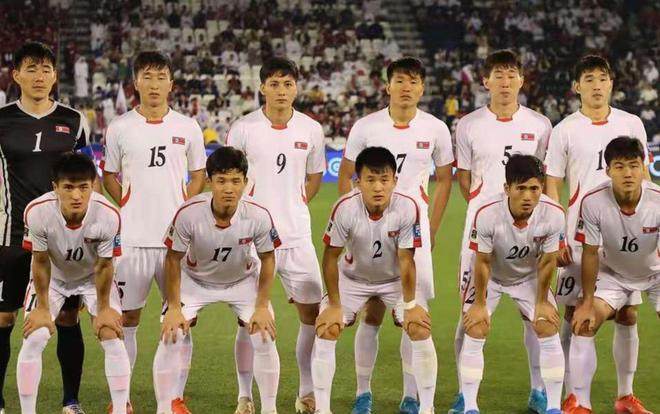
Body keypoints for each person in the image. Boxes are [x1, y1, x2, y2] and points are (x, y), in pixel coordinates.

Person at [337, 57, 453, 414]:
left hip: (413, 231)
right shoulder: (366, 127)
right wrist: (350, 224)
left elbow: (445, 179)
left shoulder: (435, 128)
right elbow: (345, 175)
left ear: (422, 87)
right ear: (387, 85)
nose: (407, 87)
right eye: (400, 80)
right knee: (371, 312)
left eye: (414, 81)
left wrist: (432, 227)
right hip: (370, 229)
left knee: (412, 315)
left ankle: (410, 396)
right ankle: (363, 393)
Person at [543, 55, 653, 413]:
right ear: (577, 87)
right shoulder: (565, 129)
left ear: (611, 83)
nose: (596, 85)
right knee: (575, 312)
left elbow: (643, 176)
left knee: (628, 314)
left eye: (602, 78)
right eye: (588, 79)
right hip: (580, 234)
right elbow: (553, 184)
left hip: (625, 233)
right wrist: (557, 234)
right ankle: (569, 395)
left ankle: (625, 395)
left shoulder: (631, 123)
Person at [101, 51, 207, 413]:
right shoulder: (120, 127)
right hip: (132, 239)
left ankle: (175, 397)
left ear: (171, 83)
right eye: (147, 76)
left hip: (174, 243)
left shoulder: (187, 127)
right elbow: (108, 176)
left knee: (181, 319)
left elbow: (199, 175)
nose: (154, 84)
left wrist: (183, 207)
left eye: (161, 77)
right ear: (136, 82)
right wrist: (127, 202)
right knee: (126, 319)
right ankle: (122, 399)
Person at [451, 49, 553, 414]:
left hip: (529, 232)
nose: (506, 82)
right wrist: (489, 212)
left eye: (512, 75)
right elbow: (465, 180)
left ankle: (539, 390)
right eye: (499, 75)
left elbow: (544, 179)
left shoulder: (540, 125)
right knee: (470, 314)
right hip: (480, 231)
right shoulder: (468, 125)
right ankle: (465, 394)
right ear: (486, 81)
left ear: (522, 80)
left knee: (536, 314)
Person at [226, 57, 325, 414]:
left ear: (296, 88)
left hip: (297, 236)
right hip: (253, 240)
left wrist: (294, 204)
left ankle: (307, 391)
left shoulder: (311, 129)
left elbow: (314, 177)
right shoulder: (243, 129)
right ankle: (245, 396)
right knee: (249, 318)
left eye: (287, 84)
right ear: (262, 87)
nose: (281, 91)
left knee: (312, 314)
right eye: (274, 84)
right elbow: (231, 179)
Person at [0, 41, 92, 414]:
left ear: (55, 76)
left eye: (46, 70)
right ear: (16, 75)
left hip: (61, 239)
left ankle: (71, 401)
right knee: (3, 317)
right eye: (31, 69)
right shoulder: (2, 119)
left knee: (68, 317)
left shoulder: (74, 120)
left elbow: (86, 177)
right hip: (11, 236)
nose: (39, 76)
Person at [154, 147, 281, 414]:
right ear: (209, 181)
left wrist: (261, 305)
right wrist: (174, 307)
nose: (229, 189)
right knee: (171, 333)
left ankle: (266, 408)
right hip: (195, 281)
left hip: (242, 281)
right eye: (221, 181)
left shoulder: (258, 214)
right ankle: (165, 408)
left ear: (245, 182)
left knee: (264, 334)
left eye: (236, 181)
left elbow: (268, 259)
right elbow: (172, 259)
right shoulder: (188, 213)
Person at [312, 147, 438, 414]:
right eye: (370, 180)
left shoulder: (408, 206)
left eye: (384, 179)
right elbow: (330, 258)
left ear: (395, 180)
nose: (378, 187)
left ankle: (426, 407)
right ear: (358, 182)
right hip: (353, 279)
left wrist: (411, 305)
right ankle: (328, 407)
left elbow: (407, 260)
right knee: (327, 327)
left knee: (419, 326)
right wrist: (334, 304)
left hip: (394, 280)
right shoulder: (344, 208)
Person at [19, 153, 130, 414]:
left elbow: (105, 266)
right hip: (54, 278)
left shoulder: (108, 215)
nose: (77, 195)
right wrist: (42, 308)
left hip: (92, 279)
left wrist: (104, 309)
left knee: (111, 335)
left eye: (83, 187)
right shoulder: (37, 212)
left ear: (93, 186)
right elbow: (40, 262)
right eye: (68, 187)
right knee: (35, 336)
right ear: (55, 187)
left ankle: (120, 409)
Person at [460, 154, 565, 414]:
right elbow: (482, 262)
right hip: (491, 277)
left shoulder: (554, 214)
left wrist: (542, 302)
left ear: (542, 187)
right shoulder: (487, 213)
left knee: (547, 325)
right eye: (521, 188)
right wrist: (479, 304)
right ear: (507, 188)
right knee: (475, 327)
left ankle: (553, 406)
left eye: (534, 188)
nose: (528, 196)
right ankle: (470, 407)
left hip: (529, 276)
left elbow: (548, 262)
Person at [569, 137, 658, 414]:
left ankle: (625, 397)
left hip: (655, 274)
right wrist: (586, 301)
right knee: (584, 322)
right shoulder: (593, 201)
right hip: (614, 273)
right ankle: (581, 404)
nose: (628, 173)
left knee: (628, 316)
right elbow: (590, 253)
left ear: (644, 166)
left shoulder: (658, 201)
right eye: (619, 167)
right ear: (608, 170)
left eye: (634, 165)